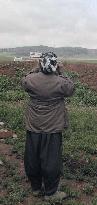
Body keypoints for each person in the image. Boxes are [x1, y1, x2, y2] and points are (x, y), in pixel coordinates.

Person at [21, 52, 74, 201]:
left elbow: (23, 81)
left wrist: (35, 69)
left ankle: (36, 187)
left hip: (33, 125)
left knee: (32, 157)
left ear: (40, 63)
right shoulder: (61, 82)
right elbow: (71, 88)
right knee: (51, 160)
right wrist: (61, 71)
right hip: (53, 126)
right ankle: (51, 192)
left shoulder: (31, 80)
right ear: (55, 64)